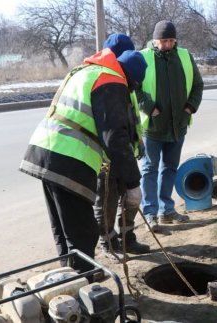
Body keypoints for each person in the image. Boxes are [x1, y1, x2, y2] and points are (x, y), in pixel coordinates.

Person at [19, 46, 147, 274]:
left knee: (64, 228)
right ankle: (85, 289)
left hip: (44, 151)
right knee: (84, 232)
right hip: (69, 159)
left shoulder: (88, 71)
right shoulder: (112, 81)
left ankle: (70, 280)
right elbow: (115, 136)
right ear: (130, 80)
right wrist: (133, 184)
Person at [138, 20, 204, 231]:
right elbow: (135, 88)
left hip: (178, 125)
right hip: (153, 126)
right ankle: (150, 213)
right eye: (164, 41)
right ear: (155, 40)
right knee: (149, 169)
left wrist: (189, 108)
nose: (168, 44)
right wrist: (149, 108)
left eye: (171, 40)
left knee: (170, 169)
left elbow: (198, 85)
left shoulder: (185, 56)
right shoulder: (143, 58)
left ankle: (166, 210)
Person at [93, 33, 151, 259]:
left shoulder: (124, 76)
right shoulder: (106, 80)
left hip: (125, 151)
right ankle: (107, 241)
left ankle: (127, 238)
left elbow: (130, 116)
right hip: (106, 156)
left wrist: (139, 140)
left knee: (132, 197)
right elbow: (110, 129)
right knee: (106, 201)